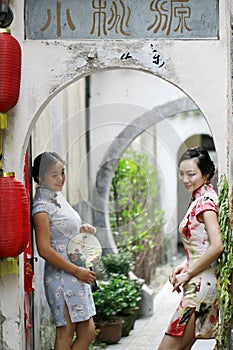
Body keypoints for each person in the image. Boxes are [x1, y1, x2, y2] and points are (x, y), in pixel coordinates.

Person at [158, 147, 224, 350]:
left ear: (206, 174)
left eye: (191, 174)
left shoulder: (205, 203)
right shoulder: (200, 198)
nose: (185, 179)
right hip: (200, 281)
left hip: (199, 286)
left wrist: (189, 274)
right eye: (182, 173)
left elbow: (217, 245)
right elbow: (200, 244)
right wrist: (184, 265)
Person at [32, 151, 97, 350]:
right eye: (54, 174)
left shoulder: (57, 198)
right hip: (62, 278)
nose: (61, 178)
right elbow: (44, 249)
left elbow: (62, 231)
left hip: (77, 275)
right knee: (65, 334)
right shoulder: (42, 207)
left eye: (62, 172)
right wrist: (77, 271)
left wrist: (81, 229)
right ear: (39, 178)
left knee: (88, 333)